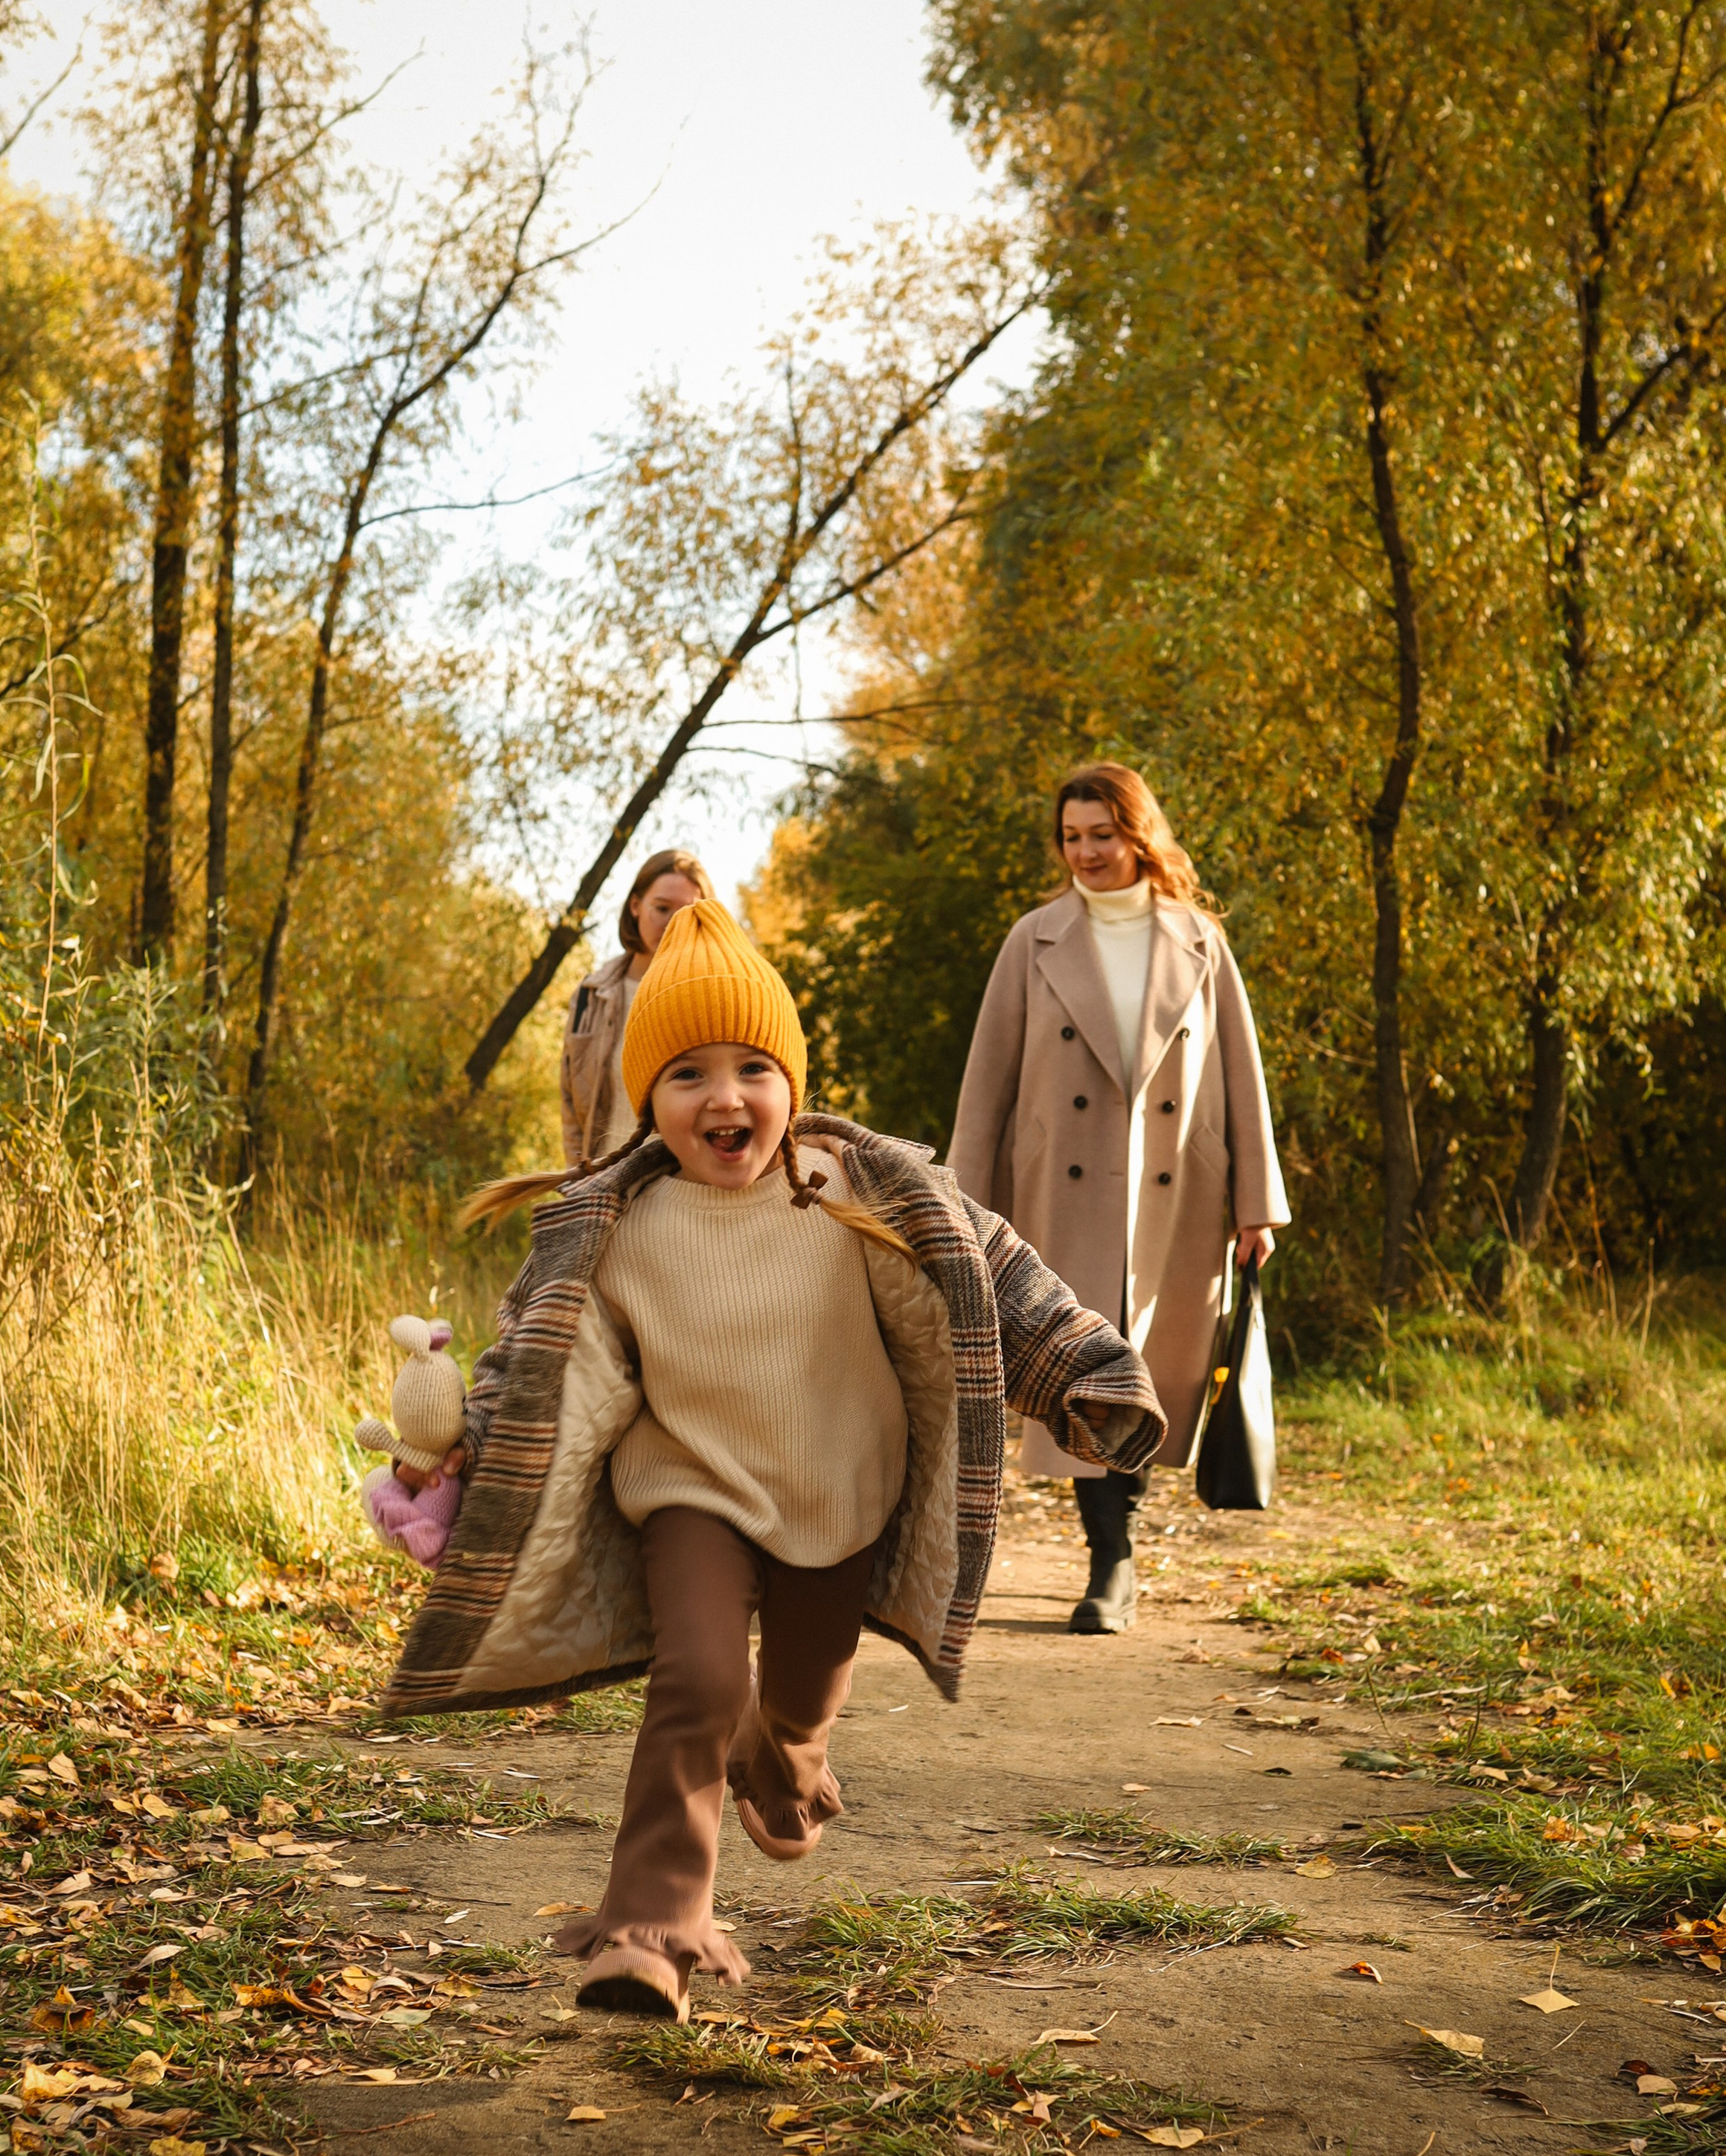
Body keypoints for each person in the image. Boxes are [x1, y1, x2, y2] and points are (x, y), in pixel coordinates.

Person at [382, 899, 1165, 2022]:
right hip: (688, 1490)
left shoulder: (868, 1192)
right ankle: (652, 1930)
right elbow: (538, 1362)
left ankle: (784, 1751)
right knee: (697, 1682)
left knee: (797, 1699)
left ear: (793, 1085)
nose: (726, 1096)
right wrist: (462, 1456)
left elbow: (1001, 1282)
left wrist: (1088, 1372)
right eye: (689, 1074)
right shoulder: (615, 1224)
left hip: (840, 1497)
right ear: (646, 1099)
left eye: (754, 1066)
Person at [947, 762, 1288, 1637]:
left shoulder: (1200, 940)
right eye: (1072, 837)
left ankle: (1116, 1549)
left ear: (1139, 835)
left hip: (1177, 1193)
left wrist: (1257, 1204)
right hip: (1060, 1194)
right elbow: (985, 1086)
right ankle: (1113, 1559)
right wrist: (960, 1209)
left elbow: (1241, 1077)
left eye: (1102, 834)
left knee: (1155, 1365)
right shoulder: (1034, 940)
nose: (1086, 852)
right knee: (1088, 1371)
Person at [559, 848, 715, 1166]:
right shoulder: (592, 995)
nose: (674, 925)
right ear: (635, 906)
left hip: (681, 1191)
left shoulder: (713, 995)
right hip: (603, 1185)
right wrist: (576, 1180)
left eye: (688, 913)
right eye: (662, 909)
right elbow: (570, 1100)